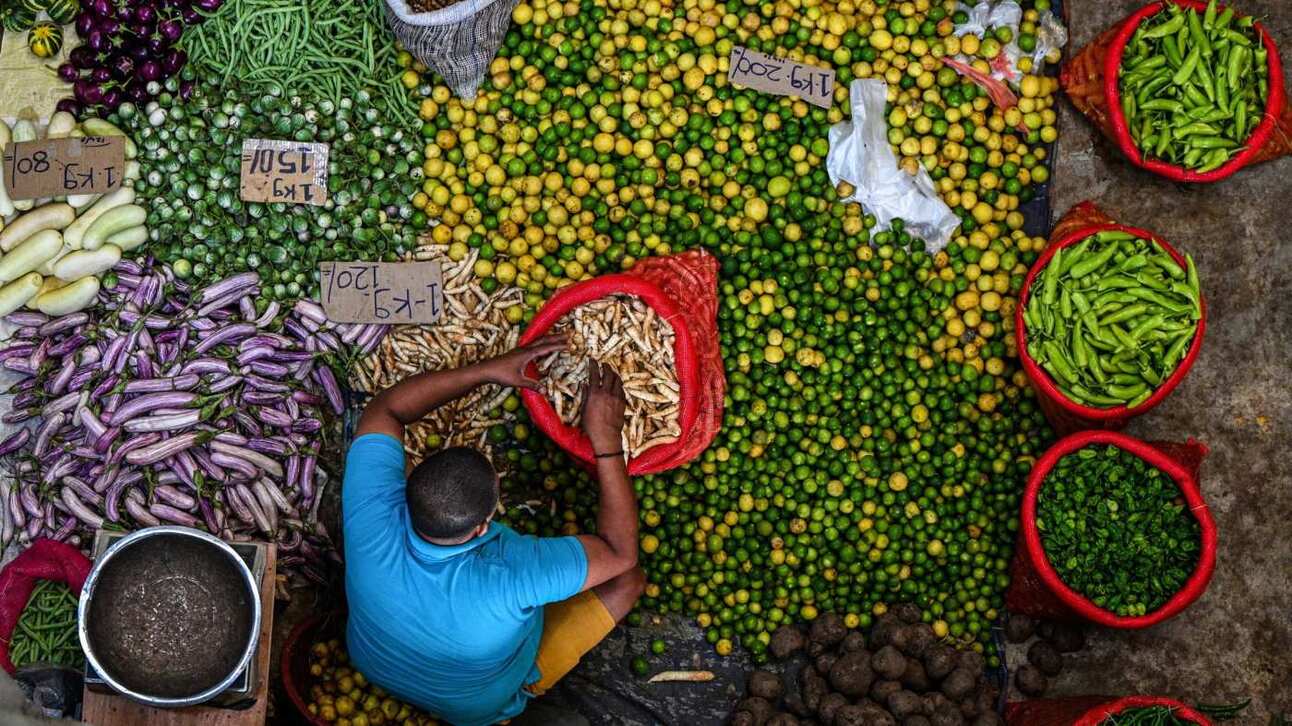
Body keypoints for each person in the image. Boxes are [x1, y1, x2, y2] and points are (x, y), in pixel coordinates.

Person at [341, 335, 644, 726]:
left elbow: (386, 409)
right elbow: (621, 553)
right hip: (475, 709)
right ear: (484, 527)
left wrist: (484, 370)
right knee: (628, 582)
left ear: (408, 485)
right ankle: (517, 699)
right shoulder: (511, 571)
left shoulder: (370, 513)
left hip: (373, 665)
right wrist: (606, 442)